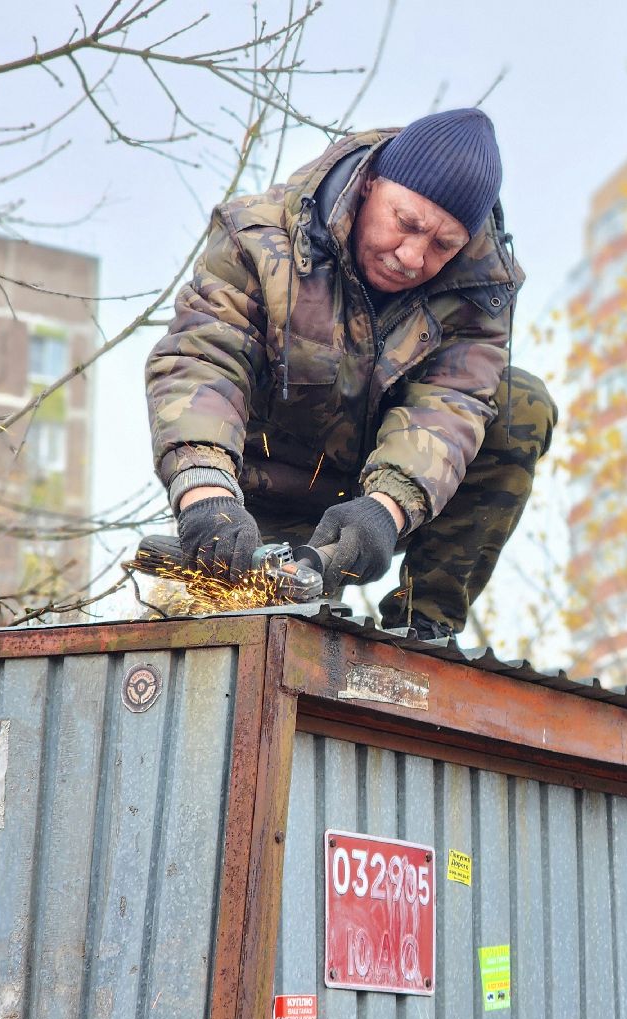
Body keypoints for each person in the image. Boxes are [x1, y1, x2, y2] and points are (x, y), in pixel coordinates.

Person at [145, 108, 556, 639]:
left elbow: (450, 406)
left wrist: (386, 509)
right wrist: (205, 495)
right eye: (406, 224)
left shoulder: (481, 292)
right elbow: (203, 359)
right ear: (369, 186)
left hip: (376, 504)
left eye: (443, 245)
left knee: (522, 403)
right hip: (247, 497)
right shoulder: (258, 237)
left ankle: (425, 627)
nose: (412, 256)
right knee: (201, 645)